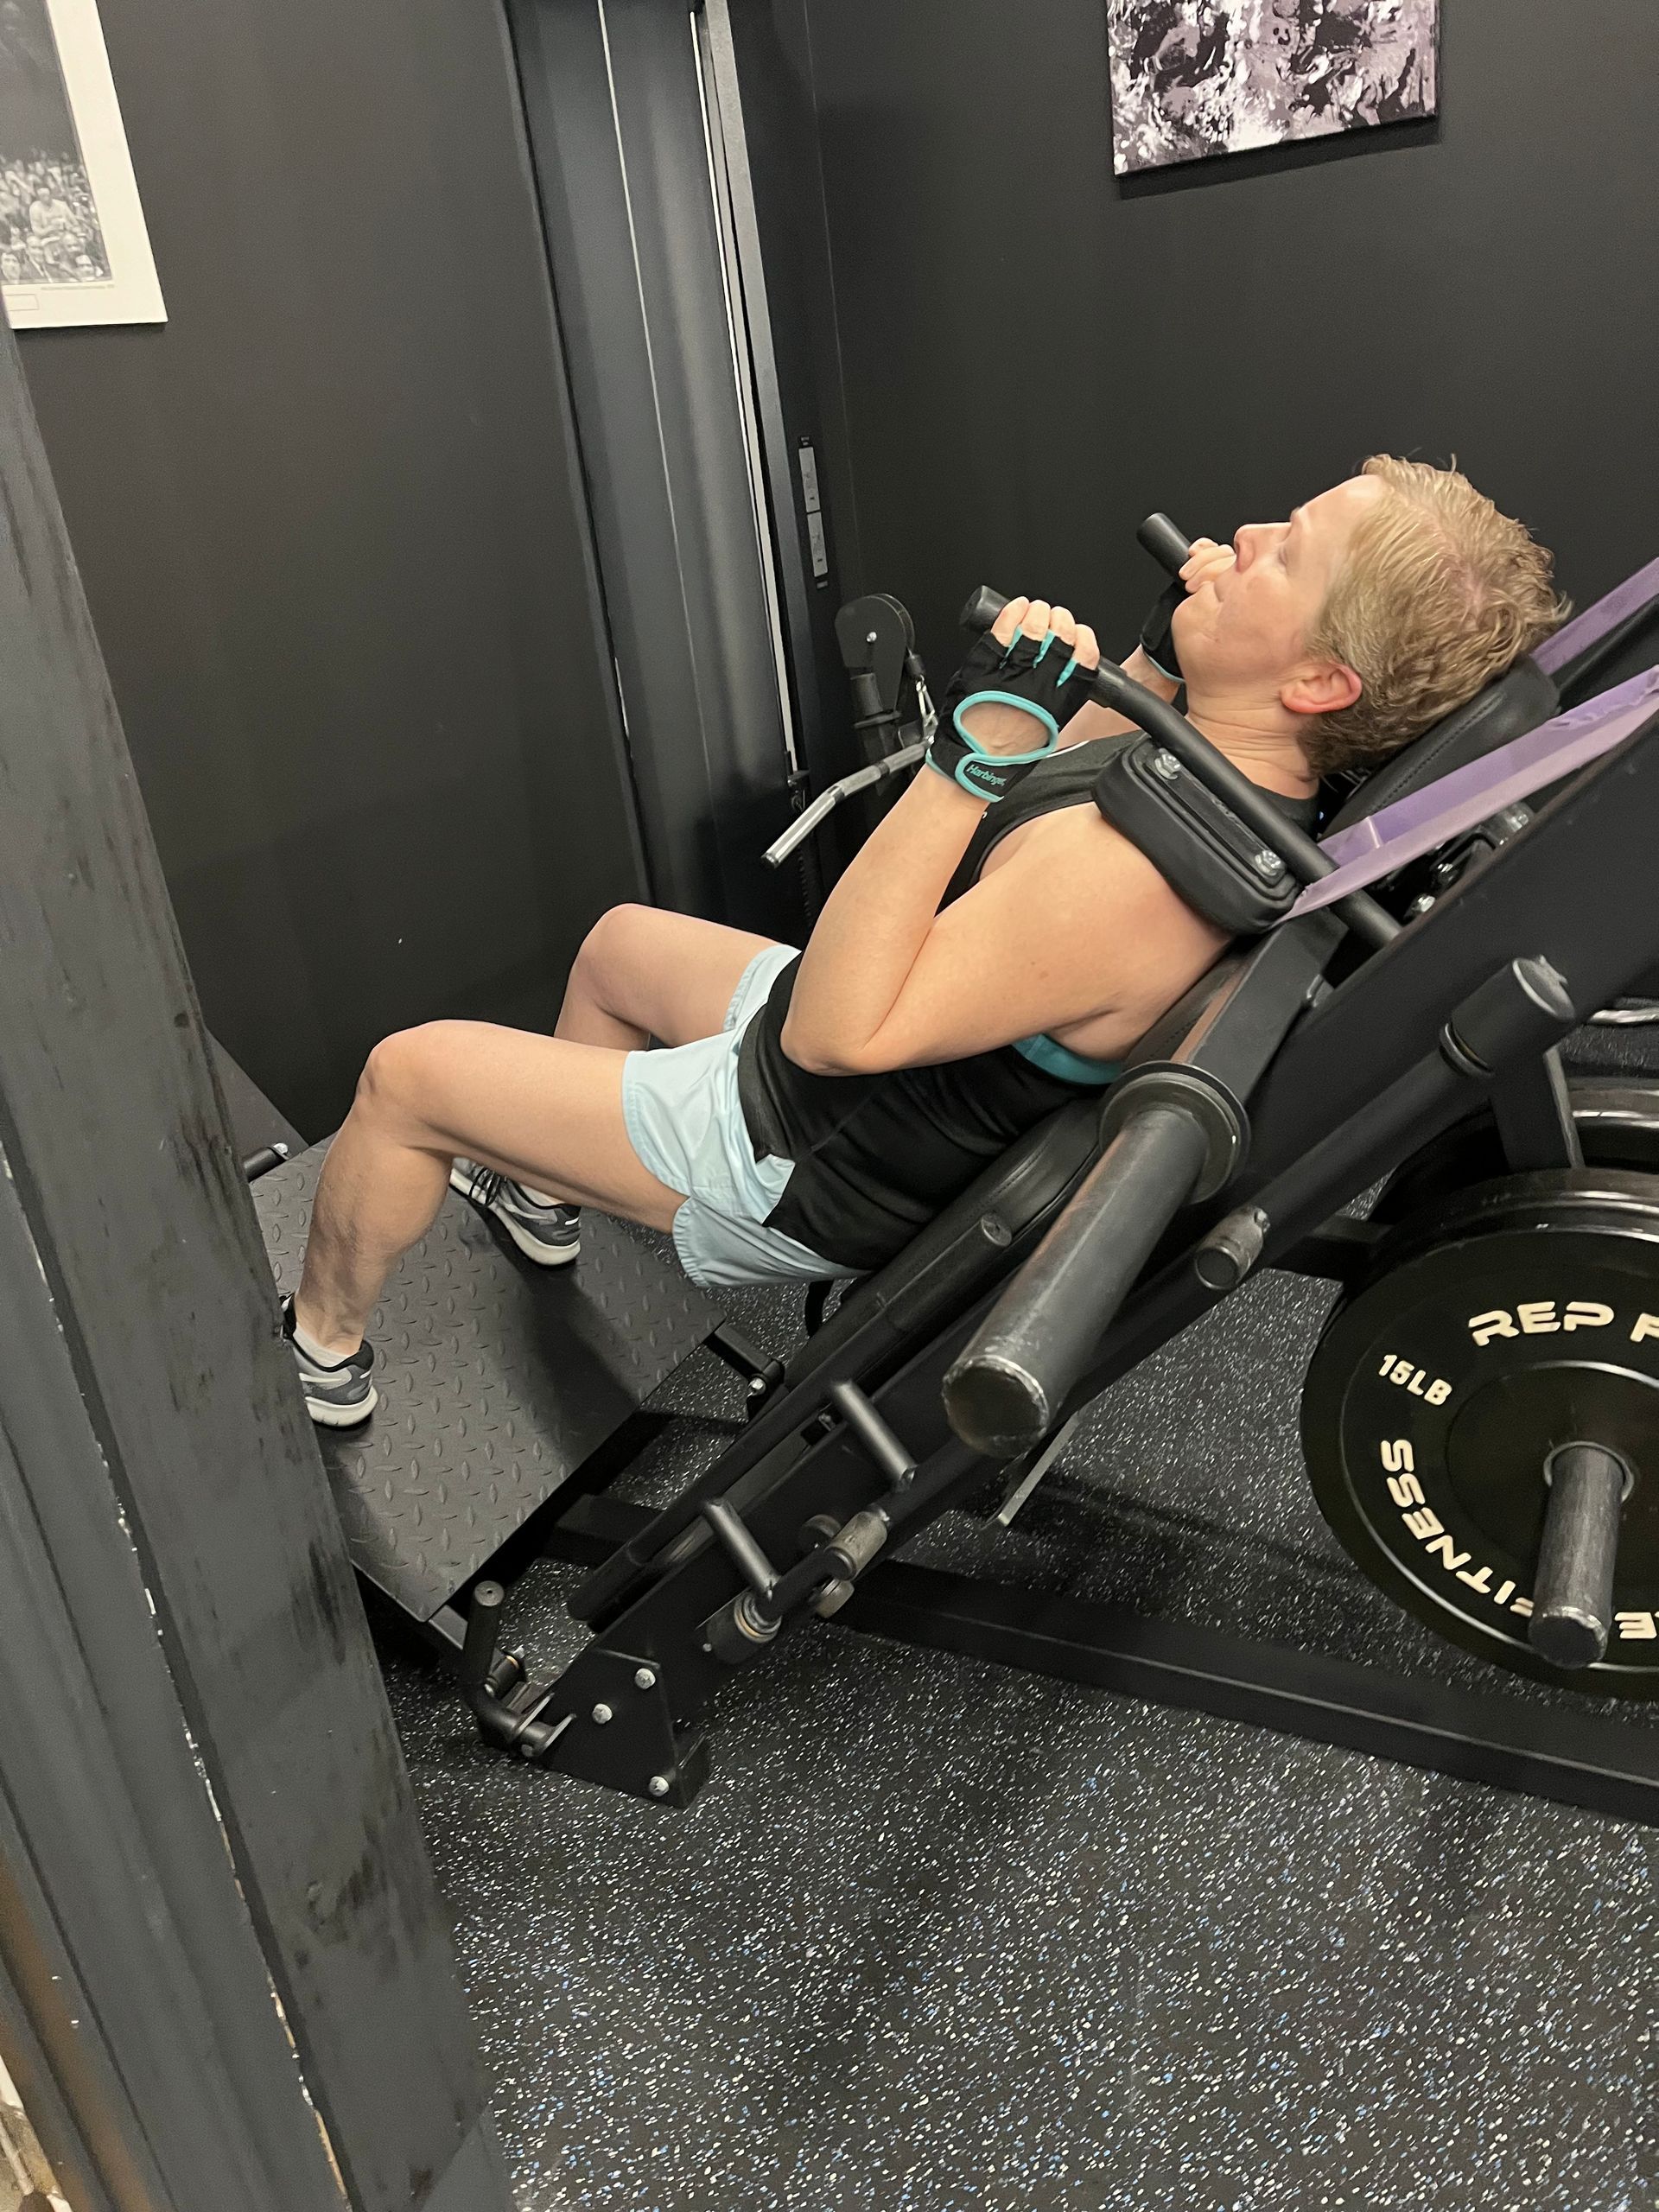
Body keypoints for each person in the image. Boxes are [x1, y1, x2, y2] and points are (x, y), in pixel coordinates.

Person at [283, 456, 1564, 1425]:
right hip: (871, 1078)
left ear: (1321, 683)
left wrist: (965, 759)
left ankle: (321, 1356)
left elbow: (837, 1036)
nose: (1243, 540)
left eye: (1284, 556)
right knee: (619, 947)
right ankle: (544, 1197)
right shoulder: (1228, 778)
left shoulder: (1124, 887)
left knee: (408, 1078)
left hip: (796, 1149)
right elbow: (1061, 787)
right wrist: (1120, 667)